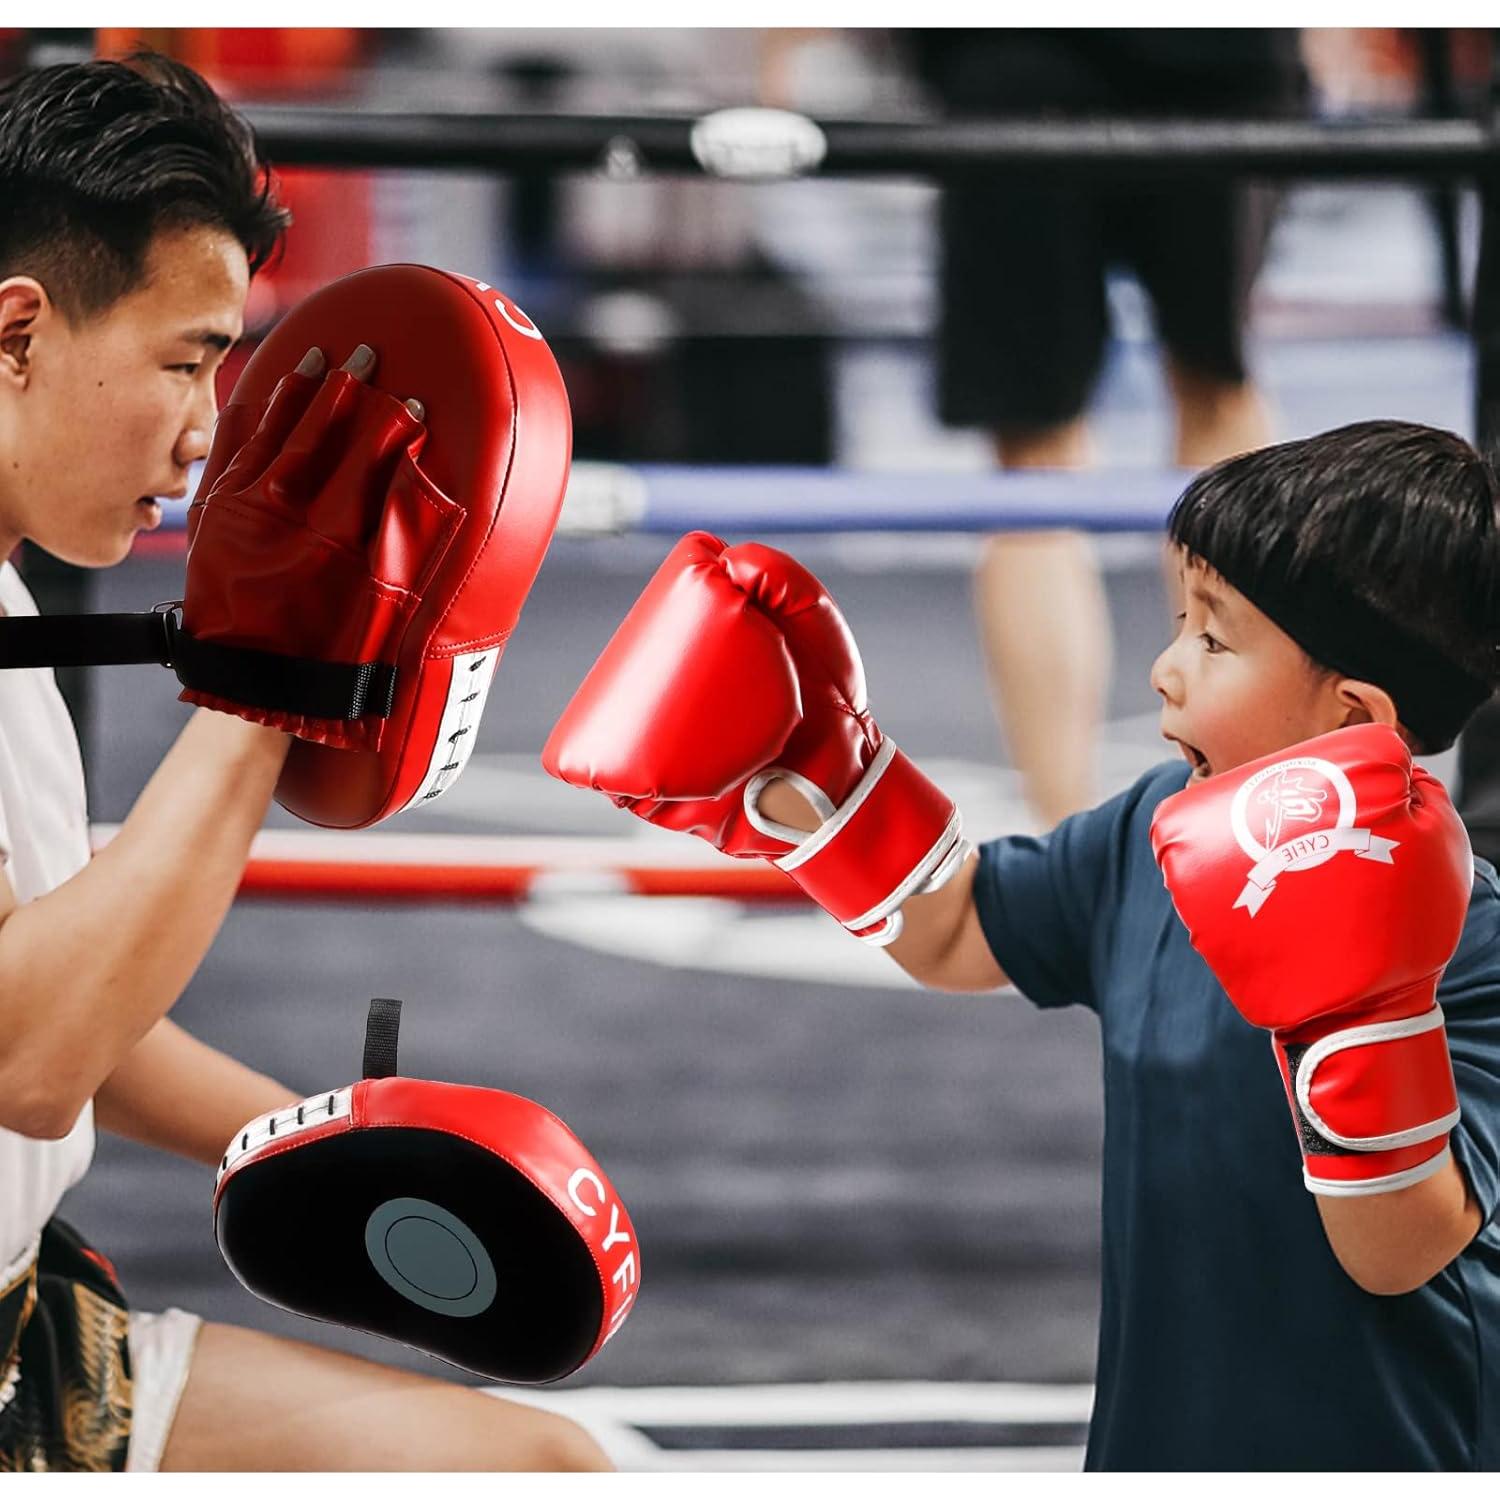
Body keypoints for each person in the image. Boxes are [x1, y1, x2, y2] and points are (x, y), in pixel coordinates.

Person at [545, 419, 1500, 1469]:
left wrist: (1360, 1002)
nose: (1164, 670)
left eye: (1215, 640)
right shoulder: (1149, 832)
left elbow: (1398, 1252)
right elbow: (960, 927)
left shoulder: (1478, 940)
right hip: (1156, 1445)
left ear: (1351, 713)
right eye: (1181, 620)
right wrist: (811, 778)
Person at [0, 54, 608, 1472]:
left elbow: (56, 987)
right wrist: (265, 683)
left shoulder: (10, 594)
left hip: (30, 1344)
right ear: (15, 331)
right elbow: (31, 1055)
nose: (210, 434)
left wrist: (315, 1137)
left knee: (543, 1470)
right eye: (187, 359)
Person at [909, 29, 1305, 829]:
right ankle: (1094, 853)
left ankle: (1236, 827)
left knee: (1199, 411)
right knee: (1053, 454)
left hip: (1154, 59)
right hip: (1036, 59)